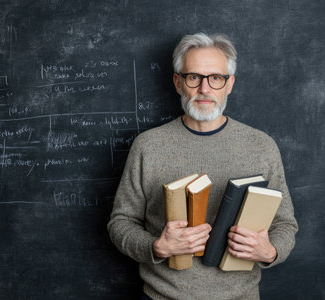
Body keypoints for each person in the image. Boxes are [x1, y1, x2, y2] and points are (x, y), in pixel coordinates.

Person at [107, 33, 298, 300]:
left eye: (216, 78)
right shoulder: (147, 146)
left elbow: (285, 225)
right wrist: (157, 247)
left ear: (229, 84)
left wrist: (270, 252)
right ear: (178, 82)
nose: (204, 89)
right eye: (193, 77)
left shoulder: (262, 146)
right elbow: (120, 223)